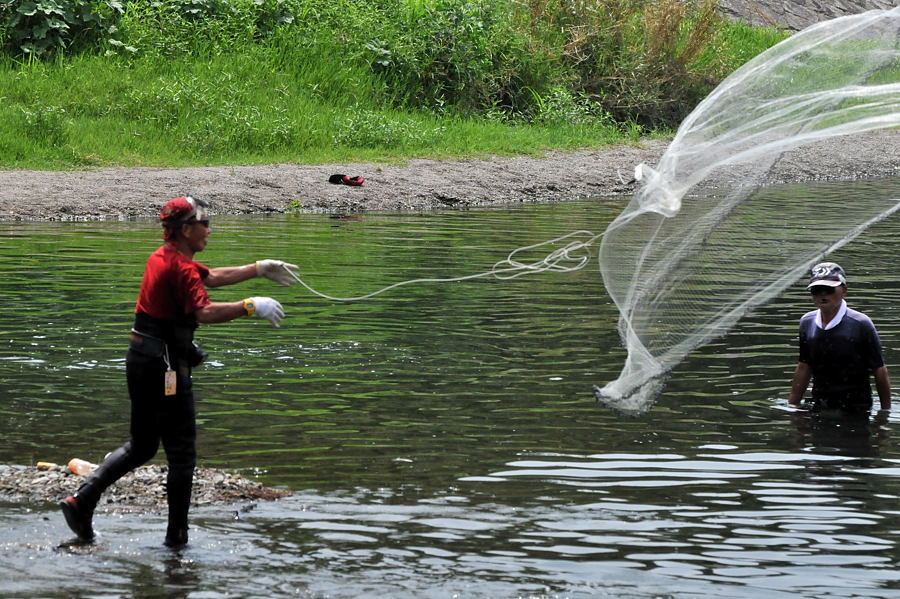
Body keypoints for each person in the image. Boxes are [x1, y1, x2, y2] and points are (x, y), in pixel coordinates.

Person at [59, 195, 301, 548]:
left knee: (142, 446)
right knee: (182, 454)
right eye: (205, 223)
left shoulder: (165, 257)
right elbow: (204, 312)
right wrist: (250, 306)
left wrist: (259, 268)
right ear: (186, 229)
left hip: (142, 359)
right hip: (165, 367)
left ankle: (82, 501)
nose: (210, 230)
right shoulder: (180, 267)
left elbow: (212, 277)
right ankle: (177, 542)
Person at [788, 261, 891, 414]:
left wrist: (885, 414)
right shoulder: (807, 322)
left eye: (828, 289)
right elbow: (804, 365)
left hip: (857, 409)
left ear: (844, 290)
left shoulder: (861, 324)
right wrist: (793, 406)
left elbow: (879, 370)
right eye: (817, 290)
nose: (823, 294)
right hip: (819, 405)